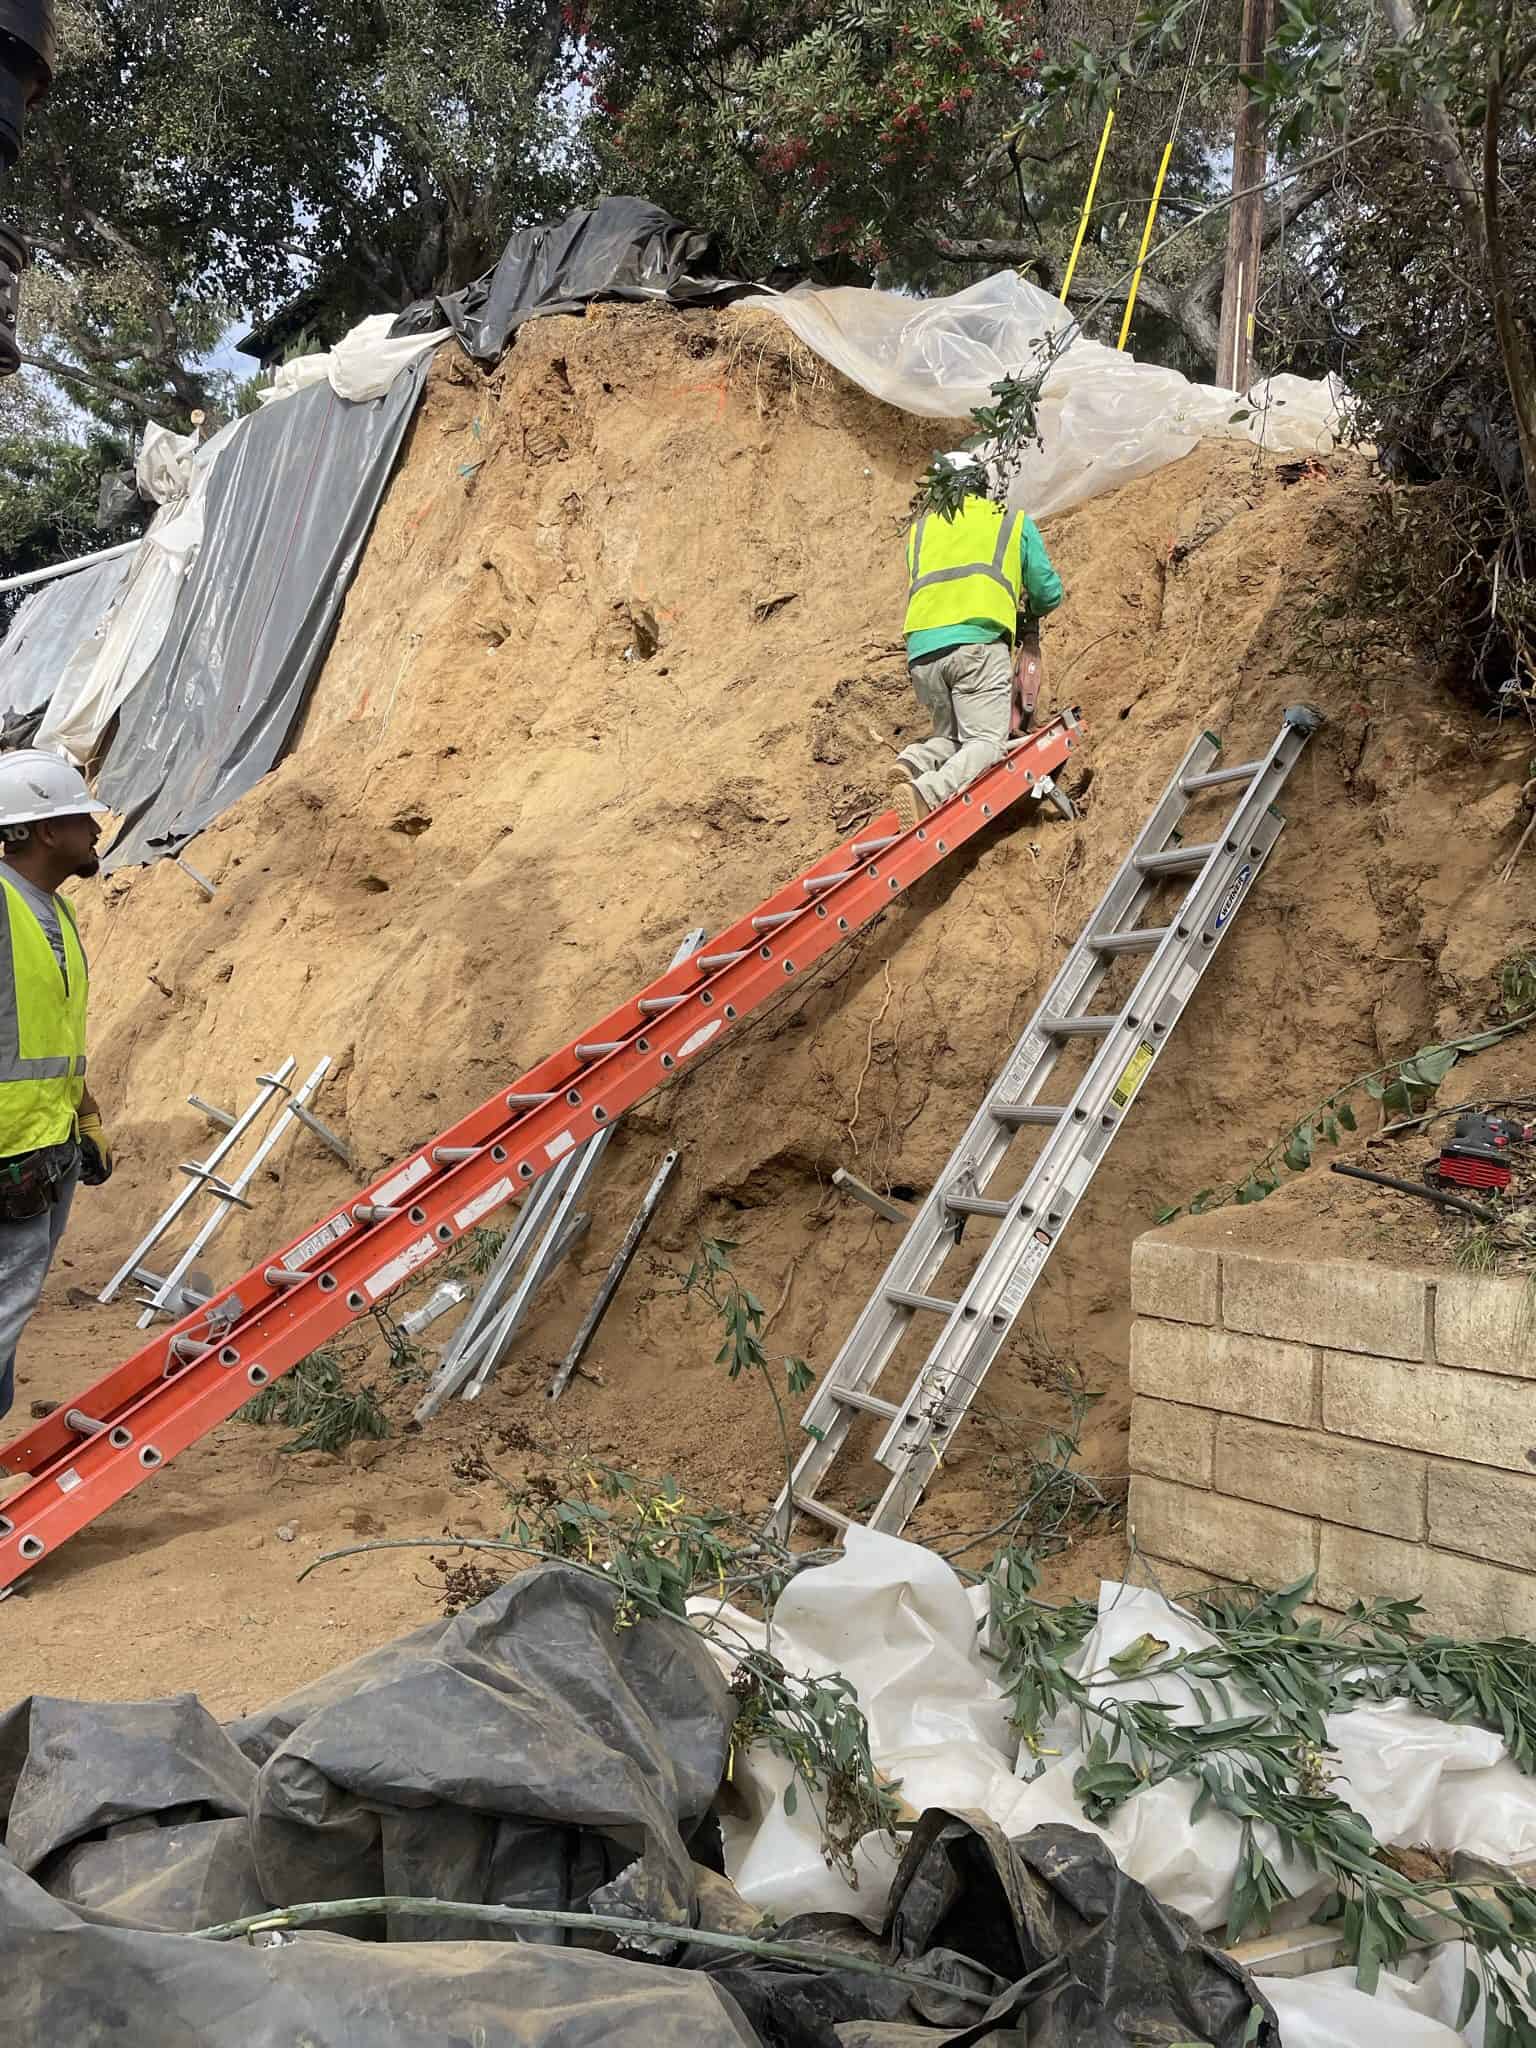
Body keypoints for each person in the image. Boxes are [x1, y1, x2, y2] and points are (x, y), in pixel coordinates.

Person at [0, 749, 112, 1426]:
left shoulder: (54, 914)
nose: (95, 830)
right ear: (45, 832)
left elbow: (50, 1042)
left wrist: (85, 1117)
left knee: (10, 1313)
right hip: (9, 1149)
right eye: (80, 818)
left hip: (48, 1143)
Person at [890, 452, 1064, 831]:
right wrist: (1026, 612)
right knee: (987, 741)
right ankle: (929, 792)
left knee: (955, 737)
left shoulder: (921, 531)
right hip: (977, 647)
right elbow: (1048, 592)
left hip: (922, 653)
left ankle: (916, 761)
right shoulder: (1009, 522)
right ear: (985, 485)